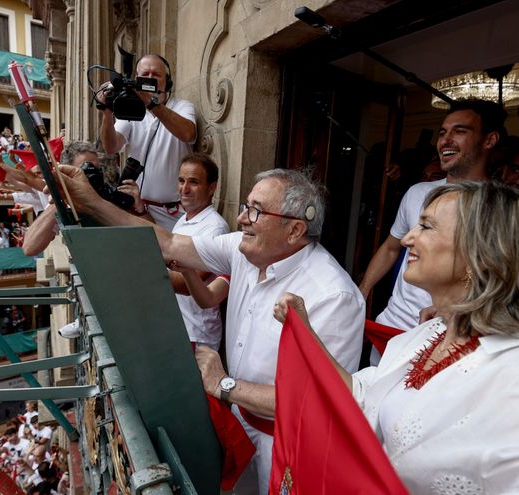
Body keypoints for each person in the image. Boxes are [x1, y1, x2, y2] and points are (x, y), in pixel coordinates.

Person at [275, 182, 519, 493]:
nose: (407, 239)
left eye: (426, 226)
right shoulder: (428, 334)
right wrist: (305, 332)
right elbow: (363, 398)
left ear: (482, 254)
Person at [55, 164, 364, 494]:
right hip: (241, 424)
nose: (242, 218)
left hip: (289, 450)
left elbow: (317, 403)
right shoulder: (245, 251)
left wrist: (223, 383)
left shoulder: (334, 297)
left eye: (256, 211)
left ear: (294, 230)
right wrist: (90, 202)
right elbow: (170, 243)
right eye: (246, 206)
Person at [358, 98, 506, 336]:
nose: (446, 140)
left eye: (460, 131)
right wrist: (362, 292)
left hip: (445, 333)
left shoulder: (501, 207)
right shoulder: (417, 192)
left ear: (489, 140)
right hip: (391, 323)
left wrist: (455, 307)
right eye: (443, 133)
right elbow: (391, 248)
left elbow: (495, 277)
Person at [120, 153, 231, 348]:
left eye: (194, 182)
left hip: (195, 334)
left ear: (211, 188)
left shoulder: (215, 228)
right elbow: (164, 245)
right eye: (181, 181)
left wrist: (134, 271)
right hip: (176, 327)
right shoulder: (184, 219)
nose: (184, 189)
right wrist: (140, 210)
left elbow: (184, 284)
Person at [98, 54, 197, 230]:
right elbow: (111, 147)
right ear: (136, 79)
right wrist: (106, 112)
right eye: (146, 74)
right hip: (138, 208)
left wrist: (151, 104)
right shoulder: (131, 110)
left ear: (167, 81)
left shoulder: (182, 106)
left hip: (176, 212)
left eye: (156, 75)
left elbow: (188, 133)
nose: (150, 78)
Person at [22, 141, 101, 256]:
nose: (94, 175)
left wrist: (137, 205)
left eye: (97, 169)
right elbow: (30, 247)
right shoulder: (66, 200)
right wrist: (62, 200)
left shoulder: (108, 191)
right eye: (87, 170)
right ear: (68, 173)